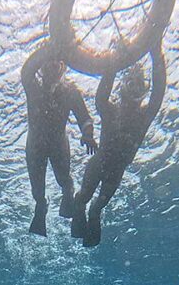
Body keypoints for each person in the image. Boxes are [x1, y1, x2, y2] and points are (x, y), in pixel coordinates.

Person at [72, 43, 167, 247]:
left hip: (115, 172)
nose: (134, 89)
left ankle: (87, 219)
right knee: (83, 199)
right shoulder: (111, 110)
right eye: (130, 83)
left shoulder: (143, 116)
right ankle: (76, 208)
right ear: (123, 87)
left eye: (139, 85)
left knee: (96, 209)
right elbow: (101, 98)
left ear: (144, 89)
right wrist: (112, 64)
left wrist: (156, 54)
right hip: (99, 165)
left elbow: (158, 94)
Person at [21, 44, 98, 236]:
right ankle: (41, 206)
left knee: (64, 180)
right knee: (37, 189)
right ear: (41, 67)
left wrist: (87, 133)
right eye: (49, 64)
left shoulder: (70, 92)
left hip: (58, 145)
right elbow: (27, 69)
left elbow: (84, 117)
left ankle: (68, 194)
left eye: (58, 64)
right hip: (35, 146)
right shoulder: (32, 86)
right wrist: (53, 44)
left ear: (63, 67)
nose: (53, 68)